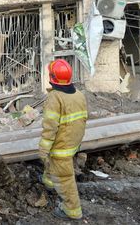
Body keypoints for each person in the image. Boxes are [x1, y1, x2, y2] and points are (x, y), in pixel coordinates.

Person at [38, 59, 87, 220]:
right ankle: (49, 181)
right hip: (73, 142)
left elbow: (50, 127)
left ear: (52, 77)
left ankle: (72, 210)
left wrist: (43, 148)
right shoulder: (79, 95)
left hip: (61, 146)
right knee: (55, 163)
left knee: (65, 178)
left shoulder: (55, 98)